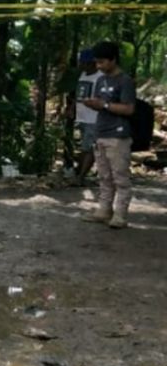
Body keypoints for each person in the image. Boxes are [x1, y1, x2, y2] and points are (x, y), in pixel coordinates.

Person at [81, 41, 136, 228]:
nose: (99, 66)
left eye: (102, 62)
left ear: (113, 59)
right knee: (104, 176)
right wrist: (92, 103)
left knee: (120, 177)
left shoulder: (125, 81)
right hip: (101, 131)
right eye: (97, 63)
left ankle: (121, 214)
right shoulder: (100, 80)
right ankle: (104, 210)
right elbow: (100, 101)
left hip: (118, 135)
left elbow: (129, 109)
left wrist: (103, 105)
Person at [71, 49, 101, 183]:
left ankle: (81, 176)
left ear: (91, 63)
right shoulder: (83, 75)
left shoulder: (101, 78)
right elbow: (78, 94)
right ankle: (79, 173)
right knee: (85, 146)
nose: (81, 66)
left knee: (90, 148)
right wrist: (72, 108)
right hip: (82, 117)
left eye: (83, 63)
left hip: (94, 118)